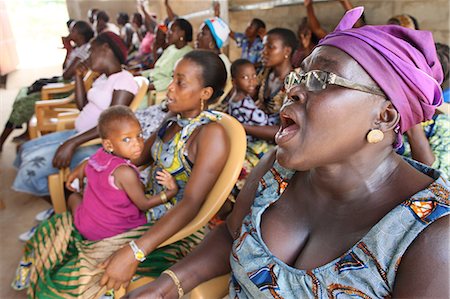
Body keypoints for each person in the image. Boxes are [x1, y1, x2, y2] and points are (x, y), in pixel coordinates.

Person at [124, 7, 449, 299]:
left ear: (386, 116)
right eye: (301, 76)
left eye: (322, 79)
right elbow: (232, 233)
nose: (293, 90)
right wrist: (168, 284)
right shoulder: (275, 170)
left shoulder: (431, 237)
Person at [13, 49, 229, 298]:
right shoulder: (173, 121)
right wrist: (91, 164)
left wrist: (135, 250)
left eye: (180, 82)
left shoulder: (212, 134)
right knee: (54, 231)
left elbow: (192, 203)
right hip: (143, 209)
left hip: (174, 228)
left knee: (73, 277)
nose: (170, 88)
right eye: (172, 79)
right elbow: (137, 157)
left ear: (205, 93)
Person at [11, 106, 178, 291]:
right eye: (127, 139)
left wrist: (78, 172)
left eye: (139, 135)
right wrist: (169, 193)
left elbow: (85, 164)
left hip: (86, 224)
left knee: (74, 197)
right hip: (113, 231)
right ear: (108, 145)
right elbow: (143, 204)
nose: (137, 144)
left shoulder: (98, 156)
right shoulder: (125, 172)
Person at [12, 32, 138, 197]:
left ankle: (62, 197)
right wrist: (78, 77)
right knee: (26, 149)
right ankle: (62, 193)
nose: (88, 56)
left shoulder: (123, 80)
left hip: (93, 143)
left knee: (31, 168)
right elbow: (82, 106)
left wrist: (72, 143)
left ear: (105, 48)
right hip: (80, 135)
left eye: (91, 50)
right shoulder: (103, 78)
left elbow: (113, 125)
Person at [0, 20, 94, 151]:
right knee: (25, 91)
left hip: (68, 89)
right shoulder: (78, 48)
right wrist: (69, 49)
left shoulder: (83, 51)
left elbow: (67, 75)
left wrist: (67, 46)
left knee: (24, 103)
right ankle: (26, 131)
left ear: (78, 34)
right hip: (65, 82)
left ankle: (1, 141)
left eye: (72, 31)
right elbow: (64, 69)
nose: (69, 33)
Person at [226, 59, 268, 143]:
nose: (252, 81)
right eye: (245, 77)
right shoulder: (243, 103)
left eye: (254, 75)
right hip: (250, 142)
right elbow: (262, 120)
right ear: (233, 81)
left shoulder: (235, 98)